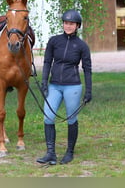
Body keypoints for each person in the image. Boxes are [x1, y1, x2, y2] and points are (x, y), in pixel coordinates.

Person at [36, 9, 92, 165]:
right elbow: (47, 62)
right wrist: (44, 82)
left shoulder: (82, 46)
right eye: (66, 23)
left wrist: (88, 91)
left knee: (71, 119)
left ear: (77, 26)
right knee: (48, 117)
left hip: (72, 86)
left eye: (71, 23)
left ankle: (69, 152)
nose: (68, 26)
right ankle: (50, 153)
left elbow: (87, 69)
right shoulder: (54, 41)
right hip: (54, 85)